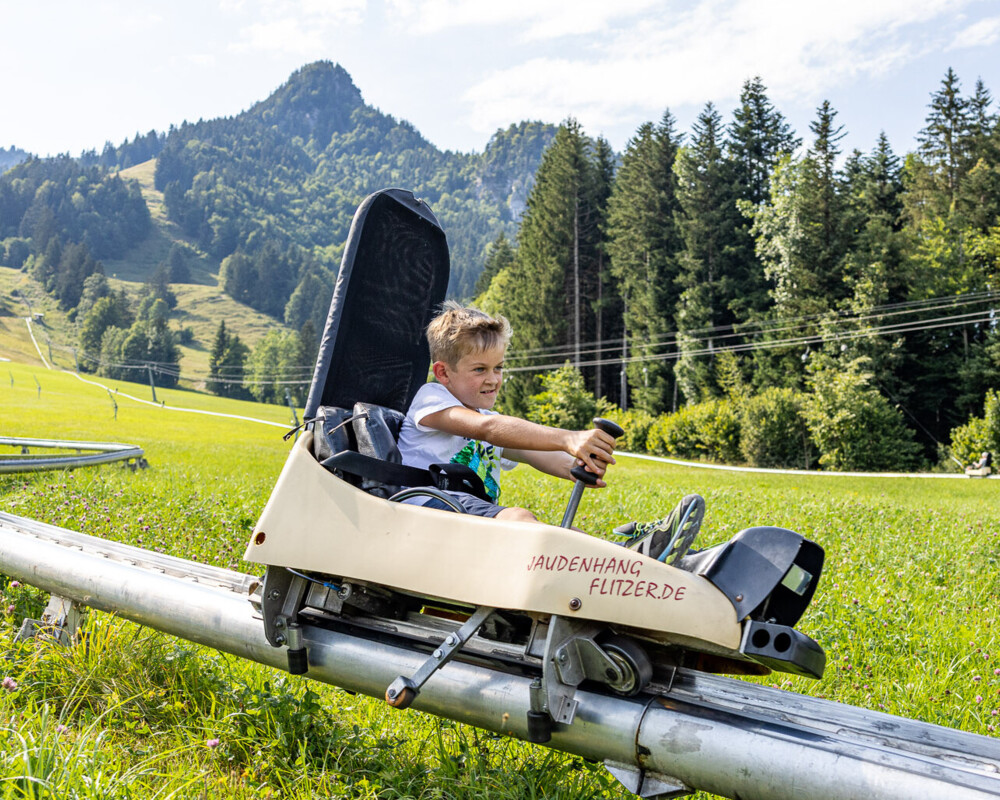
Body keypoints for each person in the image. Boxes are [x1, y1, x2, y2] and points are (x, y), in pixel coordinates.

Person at [397, 301, 703, 562]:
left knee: (570, 536)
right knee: (519, 520)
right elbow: (489, 430)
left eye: (499, 368)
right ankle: (628, 560)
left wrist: (581, 462)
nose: (493, 379)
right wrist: (569, 437)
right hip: (428, 510)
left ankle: (629, 559)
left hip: (466, 515)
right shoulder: (433, 399)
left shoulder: (487, 415)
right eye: (480, 369)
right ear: (443, 372)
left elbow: (536, 452)